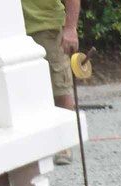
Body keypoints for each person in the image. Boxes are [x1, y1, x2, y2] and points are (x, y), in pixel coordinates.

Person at [23, 0, 80, 164]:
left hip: (48, 29)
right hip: (15, 32)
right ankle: (36, 142)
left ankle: (65, 143)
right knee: (26, 90)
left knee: (60, 89)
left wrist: (70, 29)